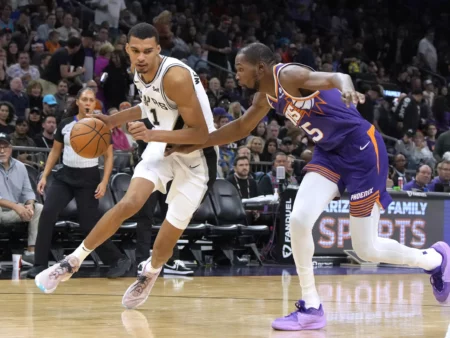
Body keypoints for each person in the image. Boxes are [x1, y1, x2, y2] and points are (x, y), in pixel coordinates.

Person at [167, 43, 450, 331]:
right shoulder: (264, 96)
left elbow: (335, 78)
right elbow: (240, 128)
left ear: (261, 68)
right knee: (300, 219)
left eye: (241, 68)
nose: (236, 75)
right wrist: (191, 143)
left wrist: (348, 87)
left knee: (366, 249)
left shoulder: (289, 75)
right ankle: (312, 306)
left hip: (362, 150)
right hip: (329, 154)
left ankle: (434, 259)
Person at [34, 23, 217, 307]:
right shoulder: (139, 72)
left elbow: (201, 134)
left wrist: (151, 134)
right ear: (127, 49)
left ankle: (150, 272)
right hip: (162, 146)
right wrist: (110, 121)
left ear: (158, 50)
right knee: (129, 203)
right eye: (135, 51)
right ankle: (72, 262)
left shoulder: (176, 77)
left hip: (197, 156)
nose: (141, 57)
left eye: (147, 51)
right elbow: (148, 107)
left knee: (166, 236)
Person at [26, 87, 129, 278]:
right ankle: (40, 264)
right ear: (78, 102)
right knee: (47, 213)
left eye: (92, 100)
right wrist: (45, 175)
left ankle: (117, 259)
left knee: (88, 224)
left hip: (88, 178)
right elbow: (55, 152)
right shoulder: (65, 124)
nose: (89, 103)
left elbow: (108, 157)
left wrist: (105, 181)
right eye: (85, 99)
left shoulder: (100, 125)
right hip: (64, 176)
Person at [0, 133, 43, 265]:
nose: (2, 151)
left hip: (15, 211)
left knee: (39, 208)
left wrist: (29, 205)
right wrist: (16, 207)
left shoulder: (20, 166)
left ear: (11, 149)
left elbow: (27, 191)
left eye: (5, 147)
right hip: (4, 210)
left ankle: (31, 253)